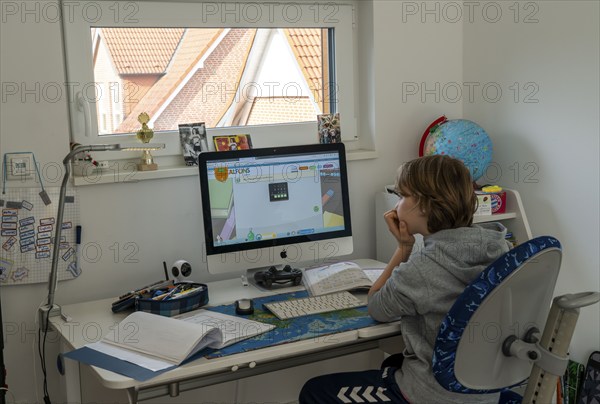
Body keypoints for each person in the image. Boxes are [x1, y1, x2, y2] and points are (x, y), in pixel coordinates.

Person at [299, 155, 513, 404]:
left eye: (401, 196)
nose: (396, 204)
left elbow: (376, 306)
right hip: (484, 394)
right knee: (392, 362)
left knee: (314, 390)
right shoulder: (502, 249)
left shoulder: (425, 266)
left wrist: (402, 249)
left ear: (423, 204)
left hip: (430, 394)